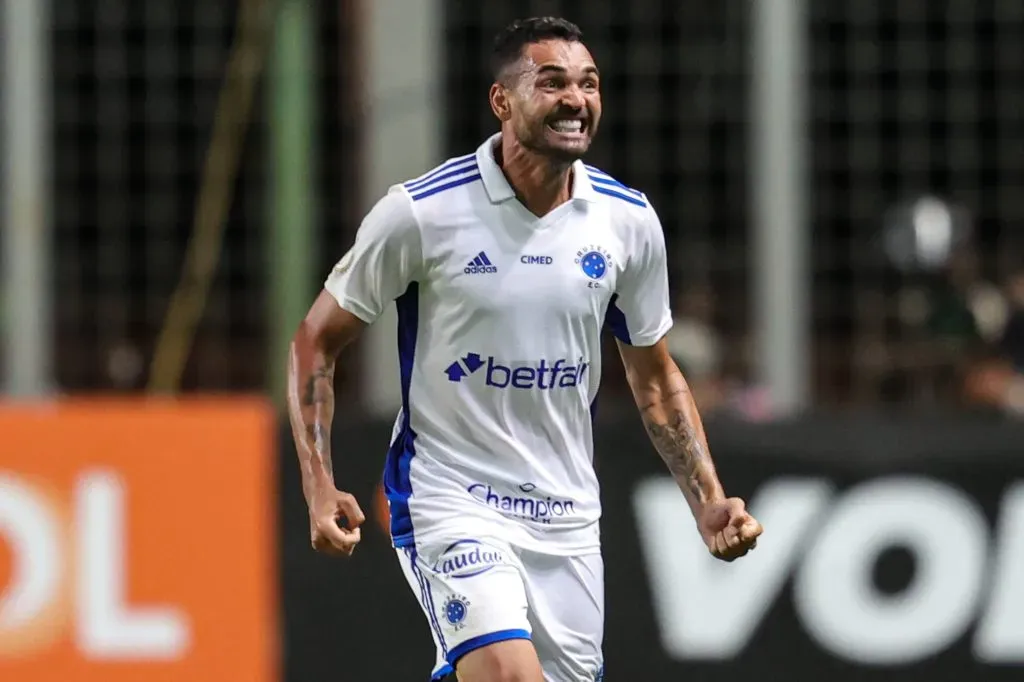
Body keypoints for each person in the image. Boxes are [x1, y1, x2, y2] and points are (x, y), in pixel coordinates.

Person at [286, 16, 763, 682]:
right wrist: (317, 483)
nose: (577, 98)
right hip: (449, 497)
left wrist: (708, 499)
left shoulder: (627, 223)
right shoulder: (423, 214)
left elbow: (655, 379)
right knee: (511, 676)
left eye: (589, 83)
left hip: (566, 517)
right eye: (554, 82)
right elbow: (316, 341)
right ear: (502, 101)